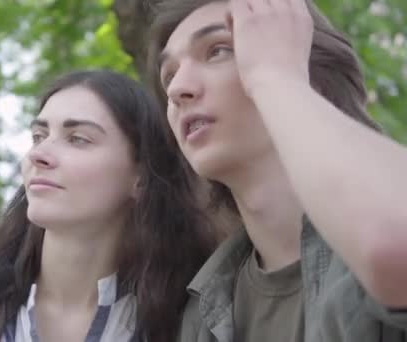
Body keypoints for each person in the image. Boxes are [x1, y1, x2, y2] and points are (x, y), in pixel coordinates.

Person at [147, 0, 407, 341]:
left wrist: (276, 76)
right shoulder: (203, 312)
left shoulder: (374, 233)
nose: (178, 89)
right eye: (169, 77)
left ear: (311, 75)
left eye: (218, 51)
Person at [0, 69, 218, 342]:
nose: (39, 155)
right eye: (39, 136)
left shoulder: (190, 320)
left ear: (140, 177)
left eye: (77, 139)